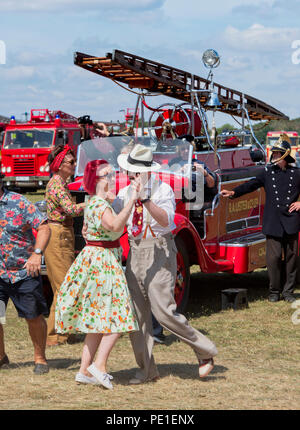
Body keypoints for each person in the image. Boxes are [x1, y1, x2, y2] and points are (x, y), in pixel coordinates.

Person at [114, 144, 218, 384]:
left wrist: (146, 200)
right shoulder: (124, 192)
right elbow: (117, 221)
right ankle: (146, 370)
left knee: (163, 311)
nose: (132, 175)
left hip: (159, 249)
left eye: (135, 171)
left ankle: (205, 351)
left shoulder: (163, 190)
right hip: (136, 250)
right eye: (130, 171)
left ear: (146, 171)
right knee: (136, 315)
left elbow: (167, 220)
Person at [55, 160, 139, 389]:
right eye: (106, 174)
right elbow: (114, 226)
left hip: (95, 259)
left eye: (112, 173)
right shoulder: (99, 205)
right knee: (118, 316)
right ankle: (99, 366)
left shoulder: (93, 202)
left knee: (97, 319)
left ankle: (84, 370)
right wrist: (130, 202)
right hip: (104, 262)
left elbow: (90, 227)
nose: (111, 177)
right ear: (96, 179)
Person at [221, 134, 300, 303]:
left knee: (292, 258)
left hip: (291, 220)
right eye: (275, 154)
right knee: (273, 258)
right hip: (273, 221)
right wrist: (234, 192)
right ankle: (274, 291)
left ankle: (288, 292)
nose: (275, 157)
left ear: (285, 156)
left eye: (278, 154)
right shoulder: (268, 173)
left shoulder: (297, 173)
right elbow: (251, 184)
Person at [0, 174, 51, 374]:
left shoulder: (18, 202)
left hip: (23, 272)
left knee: (34, 317)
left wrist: (37, 254)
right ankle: (1, 357)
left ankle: (40, 358)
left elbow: (44, 227)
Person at [44, 145, 85, 346]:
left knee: (65, 285)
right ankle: (54, 335)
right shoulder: (57, 185)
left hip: (62, 234)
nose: (74, 164)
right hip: (58, 235)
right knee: (63, 287)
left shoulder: (61, 183)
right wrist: (92, 202)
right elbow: (70, 210)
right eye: (70, 162)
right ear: (59, 165)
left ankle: (65, 332)